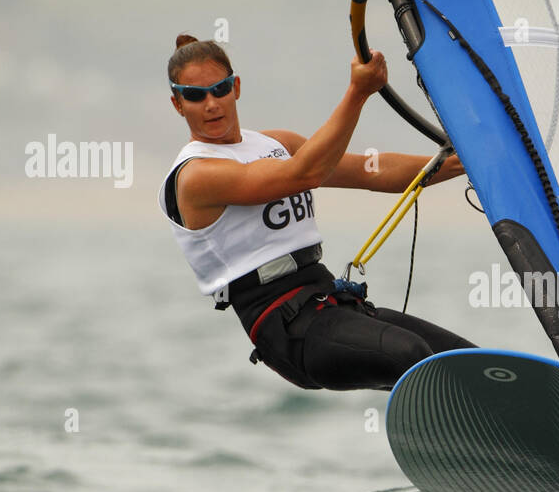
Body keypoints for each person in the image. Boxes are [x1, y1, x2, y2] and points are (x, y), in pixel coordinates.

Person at [160, 34, 476, 391]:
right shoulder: (196, 175)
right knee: (412, 355)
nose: (211, 104)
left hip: (331, 301)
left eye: (219, 89)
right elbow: (304, 174)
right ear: (177, 103)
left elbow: (370, 170)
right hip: (286, 329)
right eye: (195, 96)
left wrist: (463, 163)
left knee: (469, 362)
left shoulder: (277, 144)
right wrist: (357, 93)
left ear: (236, 87)